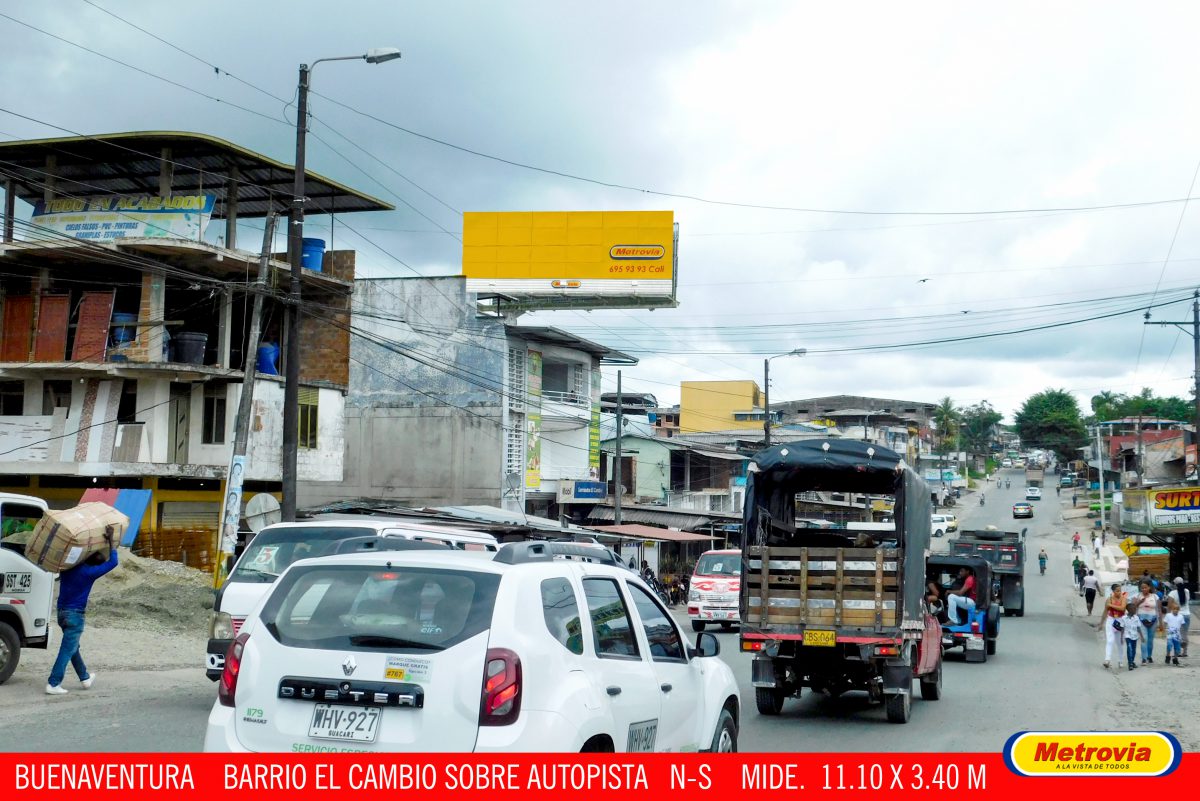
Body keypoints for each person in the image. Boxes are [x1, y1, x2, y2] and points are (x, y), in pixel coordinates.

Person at [46, 535, 119, 695]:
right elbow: (114, 562)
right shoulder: (90, 573)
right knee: (67, 648)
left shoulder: (68, 568)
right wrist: (112, 540)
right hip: (75, 615)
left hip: (61, 613)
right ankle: (53, 683)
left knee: (73, 647)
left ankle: (84, 678)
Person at [1100, 583, 1128, 669]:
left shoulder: (1124, 599)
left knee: (1119, 642)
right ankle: (1107, 660)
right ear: (1113, 591)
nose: (1119, 592)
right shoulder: (1109, 599)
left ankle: (1120, 660)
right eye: (1117, 591)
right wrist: (1101, 623)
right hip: (1111, 620)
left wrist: (1111, 605)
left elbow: (1122, 608)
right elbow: (1105, 611)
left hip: (1120, 620)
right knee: (1110, 640)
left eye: (1120, 590)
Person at [1135, 581, 1162, 664]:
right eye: (1142, 588)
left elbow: (1159, 610)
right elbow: (1132, 607)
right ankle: (1144, 658)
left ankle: (1149, 656)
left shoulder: (1155, 596)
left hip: (1153, 620)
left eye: (1145, 587)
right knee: (1144, 639)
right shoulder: (1138, 596)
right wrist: (1140, 602)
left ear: (1149, 587)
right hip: (1141, 620)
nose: (1144, 589)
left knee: (1150, 640)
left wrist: (1161, 623)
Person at [1168, 578, 1190, 657]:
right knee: (1184, 633)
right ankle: (1185, 652)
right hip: (1187, 615)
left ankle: (1177, 652)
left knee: (1176, 634)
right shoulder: (1187, 591)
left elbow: (1169, 605)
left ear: (1175, 584)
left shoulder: (1172, 593)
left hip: (1177, 615)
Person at [1121, 601, 1144, 671]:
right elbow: (1122, 628)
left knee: (1134, 650)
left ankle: (1132, 661)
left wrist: (1142, 636)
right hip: (1127, 636)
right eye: (1134, 609)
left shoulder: (1136, 617)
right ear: (1129, 610)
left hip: (1135, 636)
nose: (1135, 610)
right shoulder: (1124, 618)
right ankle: (1130, 663)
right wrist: (1121, 637)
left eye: (1135, 609)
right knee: (1129, 648)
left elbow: (1138, 627)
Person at [1164, 599, 1186, 666]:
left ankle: (1175, 658)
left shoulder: (1181, 616)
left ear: (1179, 610)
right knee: (1169, 645)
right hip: (1170, 634)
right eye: (1174, 609)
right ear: (1171, 609)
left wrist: (1182, 636)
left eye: (1177, 609)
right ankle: (1168, 656)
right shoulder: (1168, 615)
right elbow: (1165, 622)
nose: (1175, 610)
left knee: (1177, 647)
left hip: (1177, 634)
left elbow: (1182, 626)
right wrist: (1165, 630)